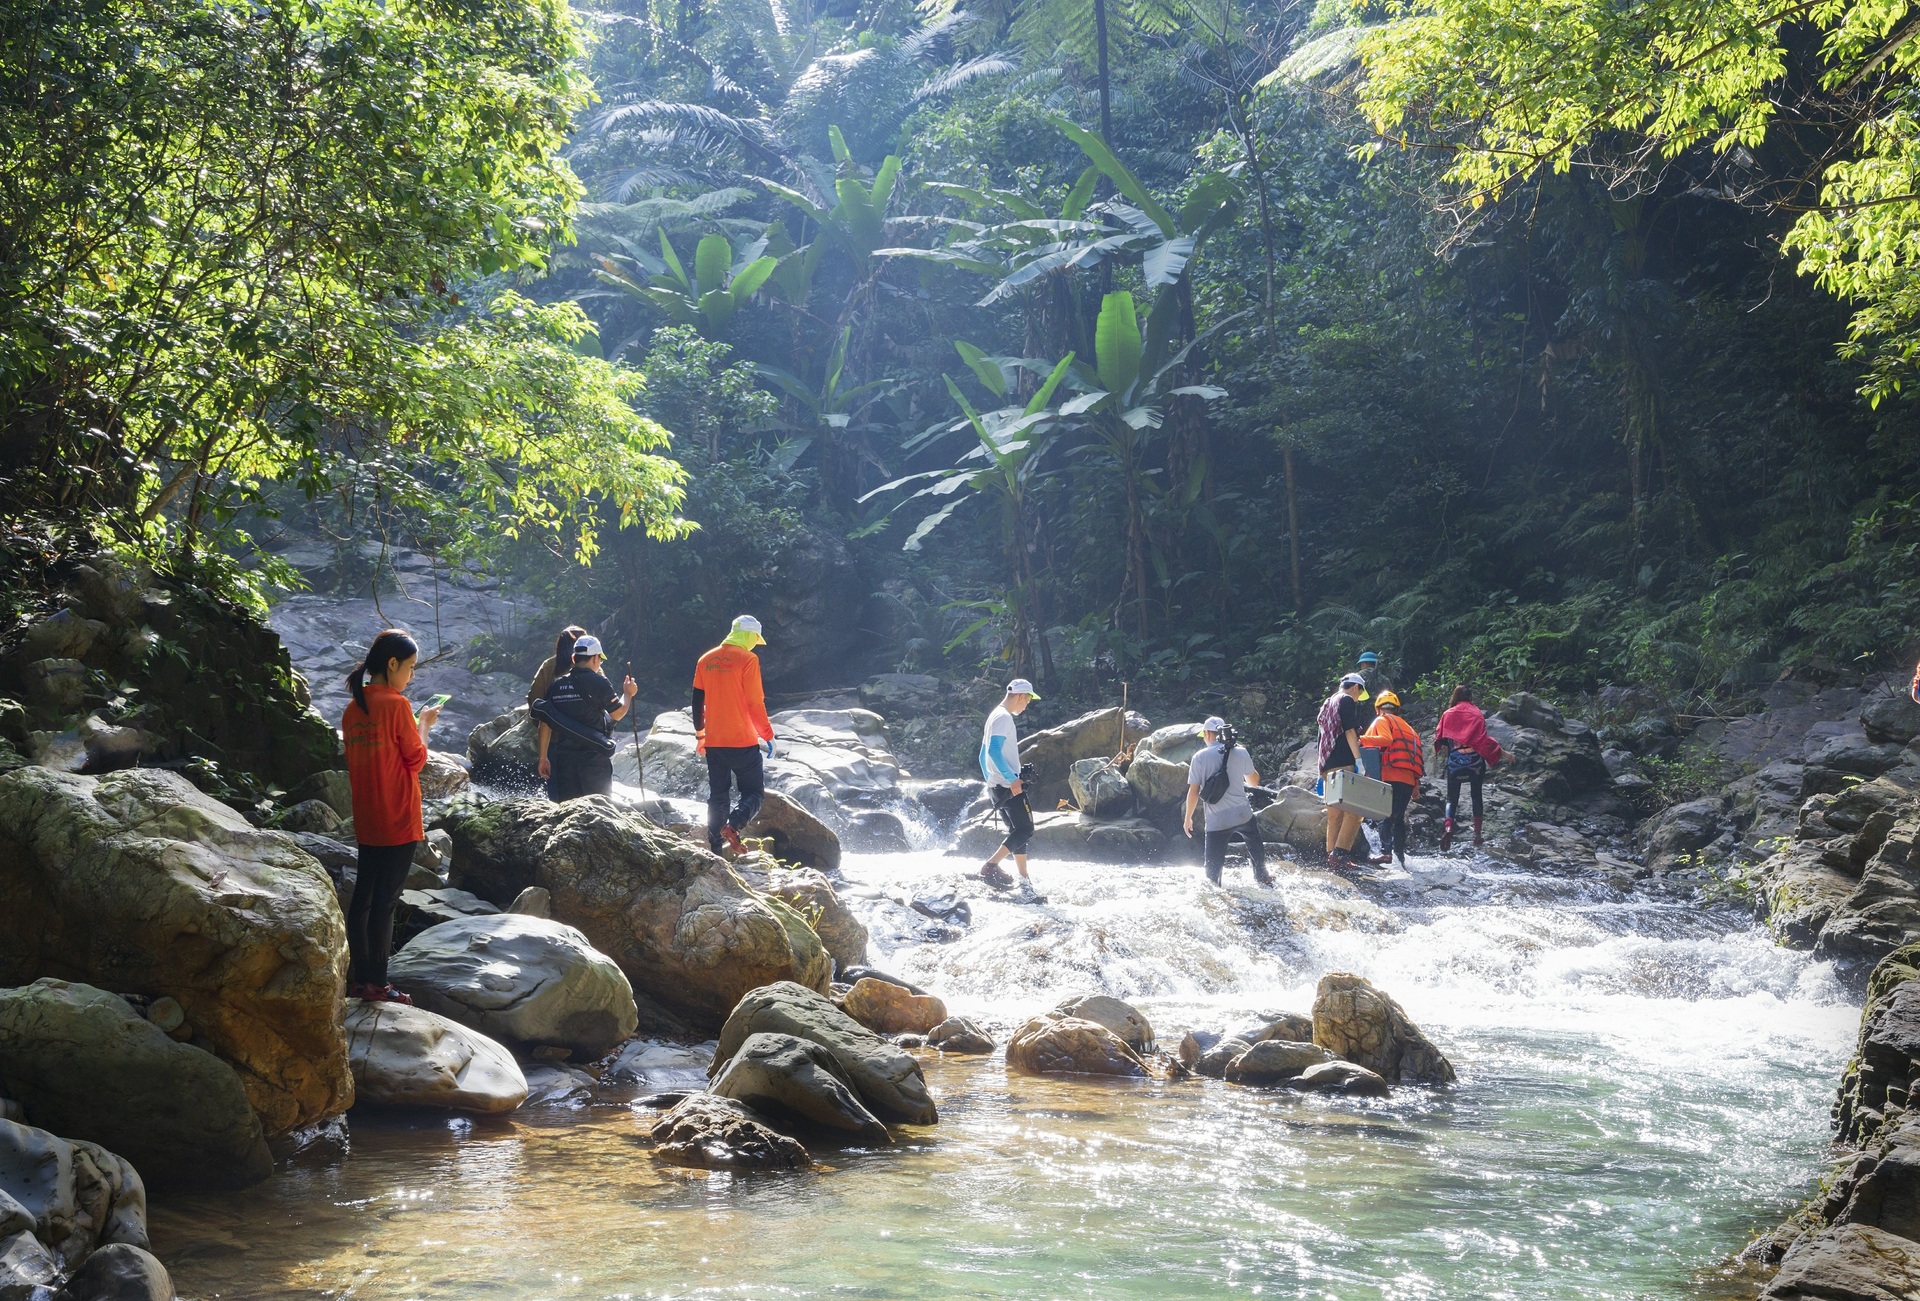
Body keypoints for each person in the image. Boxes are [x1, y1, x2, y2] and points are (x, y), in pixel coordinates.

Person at [340, 628, 440, 1004]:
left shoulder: (354, 709)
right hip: (397, 815)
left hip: (367, 817)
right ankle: (379, 987)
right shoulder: (397, 705)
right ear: (392, 664)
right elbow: (416, 759)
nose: (411, 676)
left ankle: (360, 981)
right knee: (386, 902)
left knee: (364, 897)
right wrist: (425, 724)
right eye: (410, 668)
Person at [693, 615, 776, 855]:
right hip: (743, 742)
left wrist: (701, 736)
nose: (754, 645)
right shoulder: (748, 659)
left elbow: (697, 702)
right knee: (753, 793)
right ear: (749, 636)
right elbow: (754, 702)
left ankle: (715, 850)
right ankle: (734, 824)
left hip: (715, 742)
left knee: (718, 796)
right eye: (755, 639)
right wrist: (767, 735)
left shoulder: (705, 660)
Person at [539, 634, 637, 802]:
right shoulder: (599, 682)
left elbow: (545, 722)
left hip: (564, 761)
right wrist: (628, 694)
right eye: (600, 659)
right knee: (599, 810)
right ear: (594, 658)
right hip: (594, 761)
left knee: (569, 811)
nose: (599, 663)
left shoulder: (557, 685)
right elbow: (617, 713)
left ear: (573, 658)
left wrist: (543, 757)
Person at [1184, 716, 1273, 888]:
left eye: (1204, 734)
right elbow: (1254, 782)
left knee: (1211, 877)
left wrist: (1188, 817)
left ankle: (1215, 885)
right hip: (1242, 815)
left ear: (1209, 734)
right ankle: (1262, 875)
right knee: (1253, 839)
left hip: (1218, 821)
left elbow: (1193, 792)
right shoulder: (1240, 751)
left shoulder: (1199, 757)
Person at [979, 678, 1045, 903]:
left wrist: (991, 780)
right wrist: (1010, 779)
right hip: (1008, 786)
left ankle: (1024, 878)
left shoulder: (993, 716)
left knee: (1017, 832)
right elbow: (994, 751)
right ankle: (991, 866)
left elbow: (982, 754)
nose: (1027, 706)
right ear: (1021, 696)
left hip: (997, 786)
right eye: (1028, 701)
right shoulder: (1004, 718)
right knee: (1025, 830)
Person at [1434, 685, 1505, 850]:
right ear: (1470, 698)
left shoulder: (1448, 713)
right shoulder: (1477, 713)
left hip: (1455, 761)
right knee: (1476, 796)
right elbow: (1482, 740)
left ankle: (1448, 827)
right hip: (1474, 762)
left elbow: (1440, 737)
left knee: (1452, 798)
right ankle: (1477, 836)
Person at [1361, 691, 1424, 869]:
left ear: (1378, 708)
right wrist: (1416, 786)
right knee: (1398, 818)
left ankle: (1385, 853)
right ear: (1396, 709)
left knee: (1382, 814)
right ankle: (1400, 857)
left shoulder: (1382, 720)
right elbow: (1413, 757)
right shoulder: (1410, 729)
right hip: (1408, 780)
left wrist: (1359, 739)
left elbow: (1385, 740)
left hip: (1389, 774)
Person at [1316, 672, 1370, 871]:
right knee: (1355, 811)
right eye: (1360, 693)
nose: (1358, 698)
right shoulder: (1346, 700)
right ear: (1355, 687)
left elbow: (1321, 737)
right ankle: (1341, 854)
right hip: (1342, 762)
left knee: (1335, 814)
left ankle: (1331, 856)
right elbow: (1349, 731)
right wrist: (1358, 760)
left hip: (1326, 764)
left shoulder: (1328, 703)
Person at [532, 624, 588, 786]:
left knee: (555, 788)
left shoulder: (549, 665)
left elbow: (535, 700)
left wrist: (540, 726)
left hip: (552, 738)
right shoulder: (591, 667)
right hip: (585, 739)